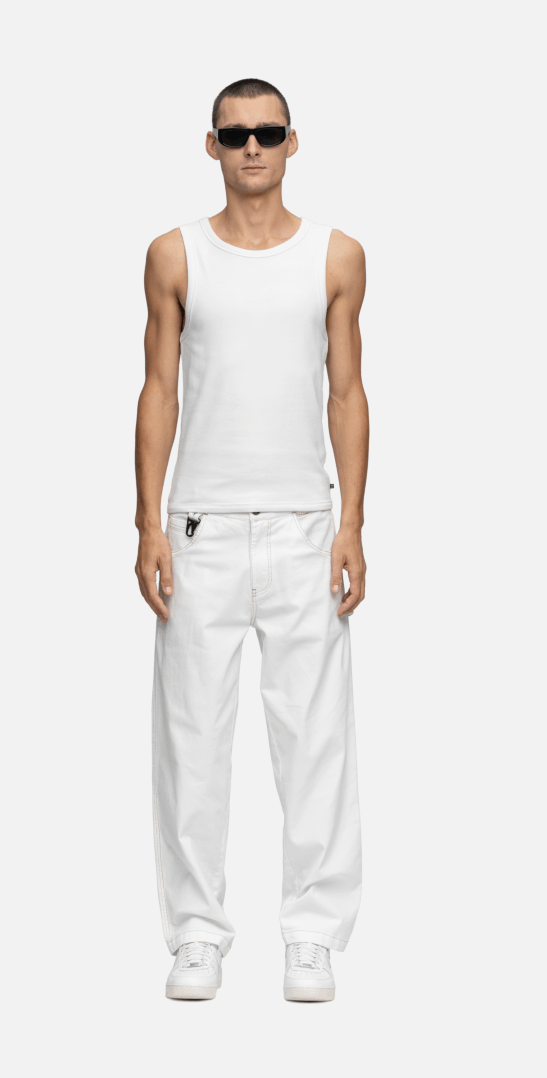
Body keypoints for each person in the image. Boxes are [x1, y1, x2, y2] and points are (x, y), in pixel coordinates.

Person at [134, 78, 368, 1002]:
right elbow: (159, 388)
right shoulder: (175, 254)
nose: (253, 148)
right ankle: (196, 935)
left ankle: (312, 935)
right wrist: (147, 521)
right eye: (236, 135)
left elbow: (346, 390)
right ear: (212, 146)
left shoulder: (336, 255)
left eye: (268, 132)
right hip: (200, 526)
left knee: (316, 740)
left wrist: (352, 523)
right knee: (191, 739)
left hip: (305, 524)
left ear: (292, 141)